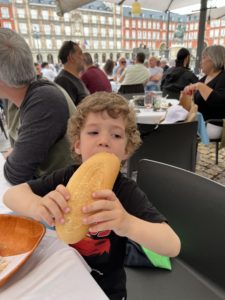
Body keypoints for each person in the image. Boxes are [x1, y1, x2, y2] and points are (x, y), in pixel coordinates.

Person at [3, 92, 181, 300]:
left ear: (126, 151)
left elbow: (172, 245)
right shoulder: (67, 177)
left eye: (116, 135)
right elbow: (12, 195)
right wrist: (38, 205)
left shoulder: (124, 191)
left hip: (105, 289)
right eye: (94, 132)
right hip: (62, 278)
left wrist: (127, 223)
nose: (104, 141)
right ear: (77, 144)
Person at [0, 28, 76, 185]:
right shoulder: (17, 98)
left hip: (64, 197)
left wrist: (15, 156)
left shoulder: (44, 100)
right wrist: (17, 155)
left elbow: (16, 173)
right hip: (46, 192)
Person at [183, 45, 225, 139]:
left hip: (213, 125)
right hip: (200, 122)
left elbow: (220, 102)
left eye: (204, 58)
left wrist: (200, 86)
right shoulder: (204, 78)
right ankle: (190, 153)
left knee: (178, 130)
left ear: (214, 59)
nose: (201, 61)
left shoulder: (222, 77)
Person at [54, 40, 89, 106]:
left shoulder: (72, 78)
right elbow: (70, 113)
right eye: (80, 53)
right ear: (71, 57)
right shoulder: (64, 81)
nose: (84, 57)